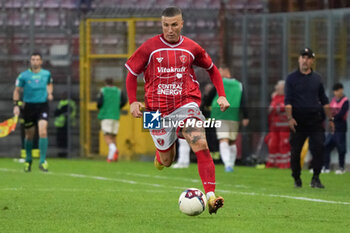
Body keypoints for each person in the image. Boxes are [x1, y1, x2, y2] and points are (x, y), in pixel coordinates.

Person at [125, 7, 229, 214]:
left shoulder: (191, 47)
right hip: (155, 111)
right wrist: (133, 101)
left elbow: (212, 69)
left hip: (186, 103)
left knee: (199, 141)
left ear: (182, 24)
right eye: (166, 25)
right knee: (166, 160)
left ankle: (210, 196)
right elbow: (131, 74)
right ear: (161, 25)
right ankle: (161, 155)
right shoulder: (149, 47)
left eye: (174, 25)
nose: (170, 29)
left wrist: (222, 94)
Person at [285, 47, 334, 188]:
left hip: (315, 121)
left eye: (308, 58)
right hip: (297, 121)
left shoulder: (317, 78)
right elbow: (288, 101)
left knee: (319, 148)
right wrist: (290, 118)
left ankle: (316, 178)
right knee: (295, 152)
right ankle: (296, 178)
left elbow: (324, 100)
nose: (305, 60)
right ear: (299, 59)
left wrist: (330, 119)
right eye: (303, 57)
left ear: (312, 61)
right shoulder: (291, 78)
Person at [202, 66, 249, 172]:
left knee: (224, 139)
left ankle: (228, 164)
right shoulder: (239, 85)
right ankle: (230, 164)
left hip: (220, 114)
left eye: (219, 71)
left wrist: (204, 106)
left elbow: (210, 97)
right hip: (234, 116)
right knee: (232, 141)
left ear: (225, 71)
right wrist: (246, 116)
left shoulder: (219, 83)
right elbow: (243, 101)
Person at [13, 52, 53, 172]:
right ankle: (28, 160)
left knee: (43, 130)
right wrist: (16, 105)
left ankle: (42, 161)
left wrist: (50, 93)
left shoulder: (46, 74)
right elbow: (17, 90)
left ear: (41, 61)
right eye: (33, 59)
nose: (35, 61)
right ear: (30, 61)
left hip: (42, 106)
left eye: (37, 59)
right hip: (29, 107)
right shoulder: (23, 76)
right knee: (29, 135)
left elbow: (49, 84)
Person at [97, 78, 127, 162]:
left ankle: (114, 150)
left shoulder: (103, 90)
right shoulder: (119, 91)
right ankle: (111, 158)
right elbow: (124, 101)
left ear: (105, 83)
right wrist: (118, 107)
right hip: (115, 115)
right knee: (113, 137)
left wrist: (100, 108)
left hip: (106, 116)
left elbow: (99, 103)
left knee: (107, 137)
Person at [323, 83, 348, 174]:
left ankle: (341, 167)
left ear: (341, 90)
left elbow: (341, 114)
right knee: (326, 146)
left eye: (337, 91)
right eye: (335, 91)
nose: (336, 93)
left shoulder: (345, 101)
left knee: (341, 148)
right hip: (332, 127)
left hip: (341, 127)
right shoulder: (333, 100)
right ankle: (326, 167)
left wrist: (332, 118)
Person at [265, 80, 290, 169]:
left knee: (283, 145)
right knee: (273, 144)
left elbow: (284, 109)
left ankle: (284, 164)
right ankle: (273, 163)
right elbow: (270, 110)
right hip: (274, 126)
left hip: (284, 126)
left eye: (279, 87)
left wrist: (276, 108)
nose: (277, 88)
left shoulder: (288, 97)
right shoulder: (275, 97)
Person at [54, 93, 77, 158]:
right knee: (60, 140)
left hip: (66, 124)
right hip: (60, 124)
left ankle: (65, 154)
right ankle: (61, 154)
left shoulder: (69, 103)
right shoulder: (62, 102)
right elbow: (56, 113)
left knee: (65, 140)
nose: (62, 96)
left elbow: (63, 112)